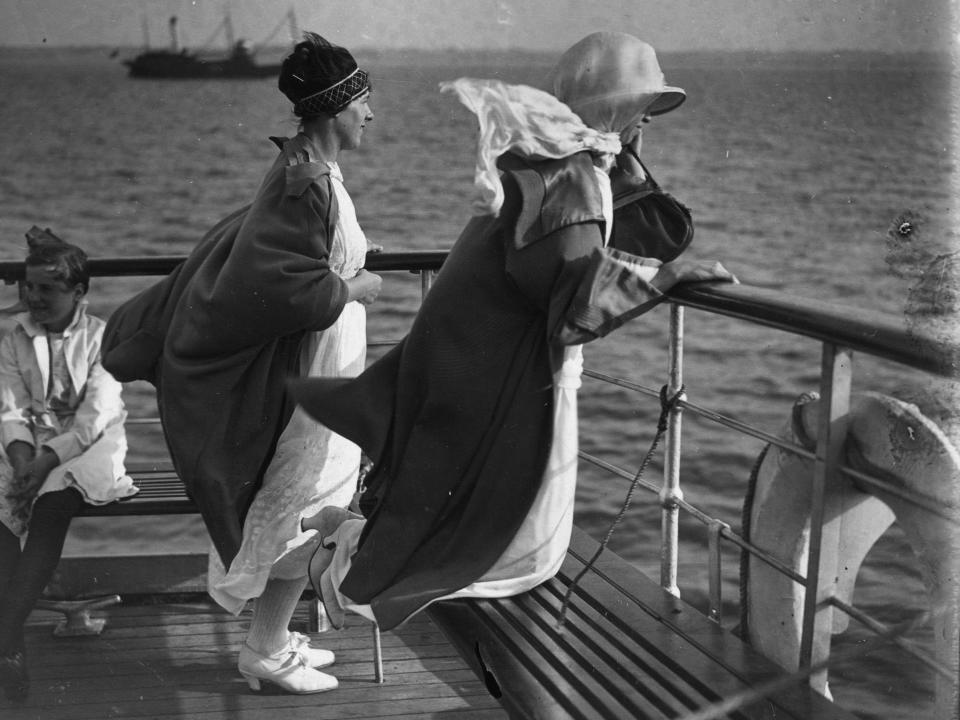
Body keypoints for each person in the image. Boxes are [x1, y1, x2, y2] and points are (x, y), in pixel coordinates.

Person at [291, 31, 737, 633]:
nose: (644, 128)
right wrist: (666, 278)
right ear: (613, 111)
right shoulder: (570, 177)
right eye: (640, 112)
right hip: (514, 376)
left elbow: (578, 259)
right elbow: (576, 299)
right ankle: (344, 561)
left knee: (490, 525)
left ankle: (346, 540)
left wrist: (635, 222)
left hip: (488, 362)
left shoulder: (553, 162)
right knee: (513, 547)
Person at [141, 32, 383, 696]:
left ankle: (272, 638)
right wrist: (357, 285)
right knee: (307, 504)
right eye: (364, 102)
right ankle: (264, 650)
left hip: (330, 360)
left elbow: (304, 254)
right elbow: (279, 286)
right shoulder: (307, 176)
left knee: (316, 500)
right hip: (318, 362)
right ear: (336, 109)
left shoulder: (314, 168)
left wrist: (349, 260)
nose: (371, 115)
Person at [0, 239, 136, 700]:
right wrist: (21, 460)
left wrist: (44, 462)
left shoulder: (102, 337)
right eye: (29, 286)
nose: (35, 298)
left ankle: (4, 637)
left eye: (48, 289)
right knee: (0, 515)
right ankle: (10, 648)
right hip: (27, 446)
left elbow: (94, 416)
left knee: (52, 505)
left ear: (78, 292)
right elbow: (11, 407)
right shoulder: (14, 337)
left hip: (88, 447)